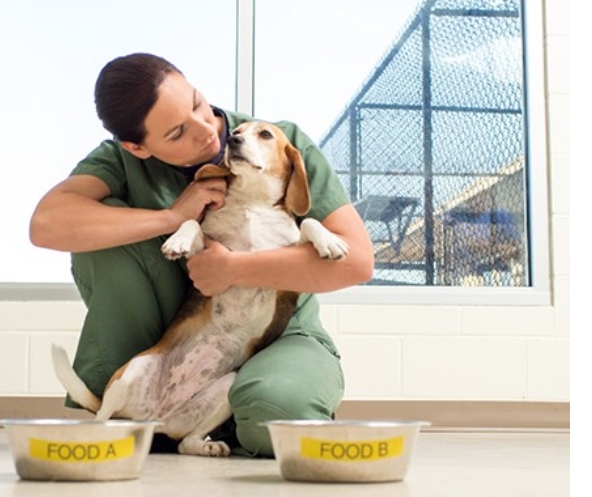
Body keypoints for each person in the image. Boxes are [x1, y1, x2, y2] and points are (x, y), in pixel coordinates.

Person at [29, 53, 374, 457]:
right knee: (101, 232)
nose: (207, 130)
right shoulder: (119, 162)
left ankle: (242, 406)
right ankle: (150, 408)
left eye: (197, 102)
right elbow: (47, 225)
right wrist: (171, 216)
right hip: (182, 335)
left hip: (276, 334)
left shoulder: (277, 140)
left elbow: (357, 261)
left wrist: (233, 270)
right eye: (177, 133)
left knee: (279, 420)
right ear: (136, 147)